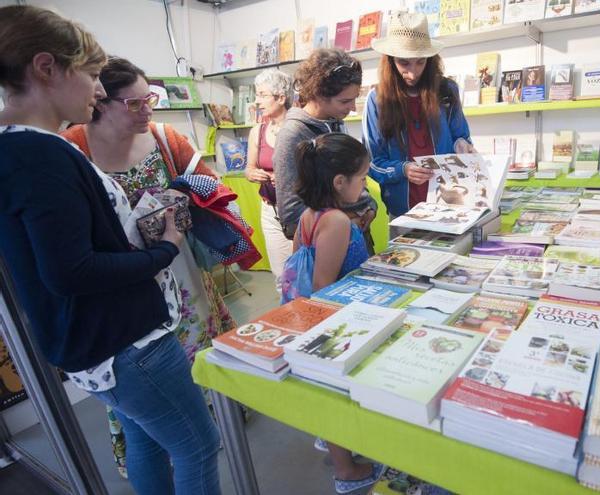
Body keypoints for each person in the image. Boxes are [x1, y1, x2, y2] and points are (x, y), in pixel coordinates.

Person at [0, 6, 220, 494]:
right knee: (198, 447)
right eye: (92, 74)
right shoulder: (41, 154)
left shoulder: (24, 147)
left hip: (104, 344)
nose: (98, 90)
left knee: (149, 441)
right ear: (46, 68)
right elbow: (71, 270)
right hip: (127, 342)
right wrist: (164, 248)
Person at [62, 57, 236, 478]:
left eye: (150, 99)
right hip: (124, 289)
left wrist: (187, 197)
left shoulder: (164, 137)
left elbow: (212, 187)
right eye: (135, 103)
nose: (147, 110)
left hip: (181, 276)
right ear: (101, 101)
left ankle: (199, 422)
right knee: (147, 409)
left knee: (190, 368)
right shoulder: (72, 149)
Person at [279, 133, 385, 494]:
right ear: (340, 182)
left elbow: (298, 263)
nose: (366, 183)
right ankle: (346, 469)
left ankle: (330, 440)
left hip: (312, 315)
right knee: (335, 395)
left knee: (327, 393)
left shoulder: (311, 215)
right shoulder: (337, 221)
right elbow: (325, 285)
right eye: (362, 177)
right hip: (335, 320)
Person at [364, 12, 476, 218]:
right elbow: (372, 163)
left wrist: (462, 144)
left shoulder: (447, 90)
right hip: (402, 213)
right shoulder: (376, 100)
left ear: (430, 60)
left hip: (450, 204)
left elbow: (462, 137)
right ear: (390, 61)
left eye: (420, 62)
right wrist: (403, 169)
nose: (413, 73)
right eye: (404, 63)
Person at [274, 48, 376, 245]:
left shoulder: (335, 121)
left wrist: (369, 207)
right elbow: (291, 215)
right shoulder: (292, 134)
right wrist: (346, 220)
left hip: (351, 239)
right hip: (326, 249)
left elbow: (353, 178)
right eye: (345, 101)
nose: (353, 107)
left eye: (354, 98)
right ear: (319, 95)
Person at [244, 68, 294, 284]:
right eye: (257, 94)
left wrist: (285, 179)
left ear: (281, 97)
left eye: (263, 95)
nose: (257, 101)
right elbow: (249, 168)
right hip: (271, 210)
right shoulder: (258, 130)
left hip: (299, 209)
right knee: (281, 276)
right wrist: (253, 174)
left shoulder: (298, 128)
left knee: (305, 270)